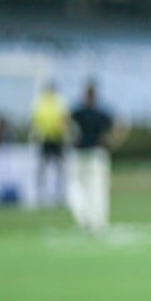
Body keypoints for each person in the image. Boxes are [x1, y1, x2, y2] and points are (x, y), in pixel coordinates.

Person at [68, 80, 117, 232]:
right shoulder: (100, 112)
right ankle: (96, 221)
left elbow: (63, 122)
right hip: (95, 153)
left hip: (82, 152)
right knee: (96, 188)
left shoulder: (78, 111)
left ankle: (87, 219)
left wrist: (70, 138)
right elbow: (118, 126)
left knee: (81, 187)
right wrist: (110, 141)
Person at [28, 81, 69, 207]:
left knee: (57, 167)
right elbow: (36, 121)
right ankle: (43, 193)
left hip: (55, 139)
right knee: (45, 167)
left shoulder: (56, 102)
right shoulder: (44, 103)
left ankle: (57, 193)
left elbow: (63, 120)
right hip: (47, 139)